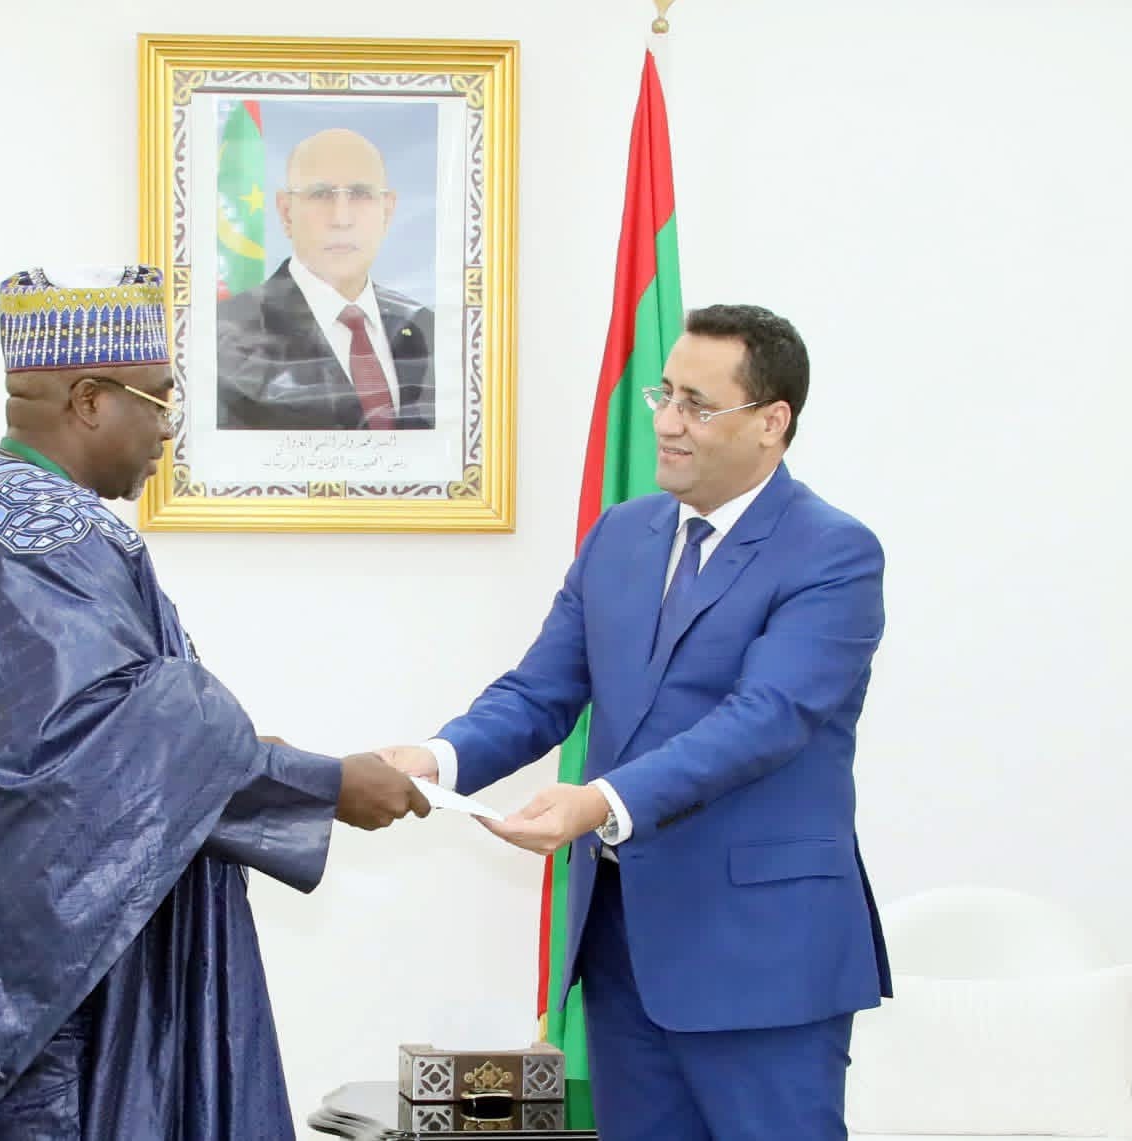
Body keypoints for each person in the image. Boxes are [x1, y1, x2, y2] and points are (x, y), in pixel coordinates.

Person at [0, 264, 430, 1140]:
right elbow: (103, 747)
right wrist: (323, 783)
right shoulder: (42, 535)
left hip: (19, 984)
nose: (170, 426)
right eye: (160, 398)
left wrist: (249, 757)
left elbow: (124, 737)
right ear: (90, 400)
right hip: (43, 1034)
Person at [381, 305, 892, 1140]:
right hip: (624, 951)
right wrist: (438, 758)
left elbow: (766, 718)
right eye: (665, 394)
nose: (666, 422)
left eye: (698, 404)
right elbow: (541, 691)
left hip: (764, 957)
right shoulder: (621, 535)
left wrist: (599, 801)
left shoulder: (833, 552)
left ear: (772, 422)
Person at [216, 127, 435, 431]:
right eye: (320, 194)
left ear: (387, 211)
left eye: (360, 194)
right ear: (286, 212)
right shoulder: (227, 333)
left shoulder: (427, 329)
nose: (341, 219)